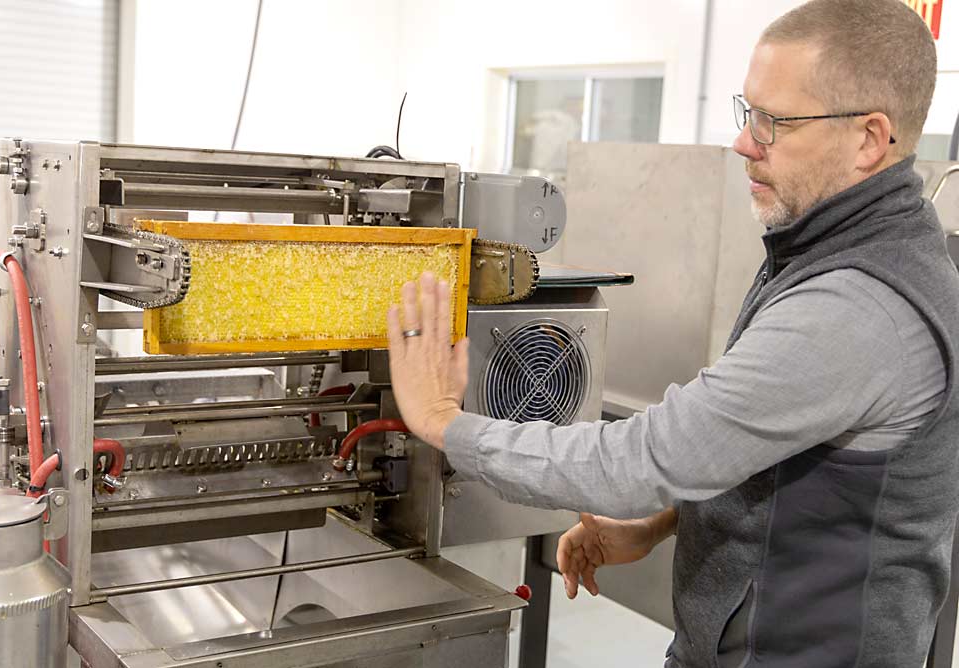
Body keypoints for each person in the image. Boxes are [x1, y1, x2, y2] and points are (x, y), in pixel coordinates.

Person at [386, 0, 959, 665]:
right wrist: (663, 522)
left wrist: (442, 423)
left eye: (776, 122)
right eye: (750, 114)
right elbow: (773, 450)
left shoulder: (858, 308)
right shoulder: (822, 252)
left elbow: (647, 457)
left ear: (869, 139)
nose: (746, 143)